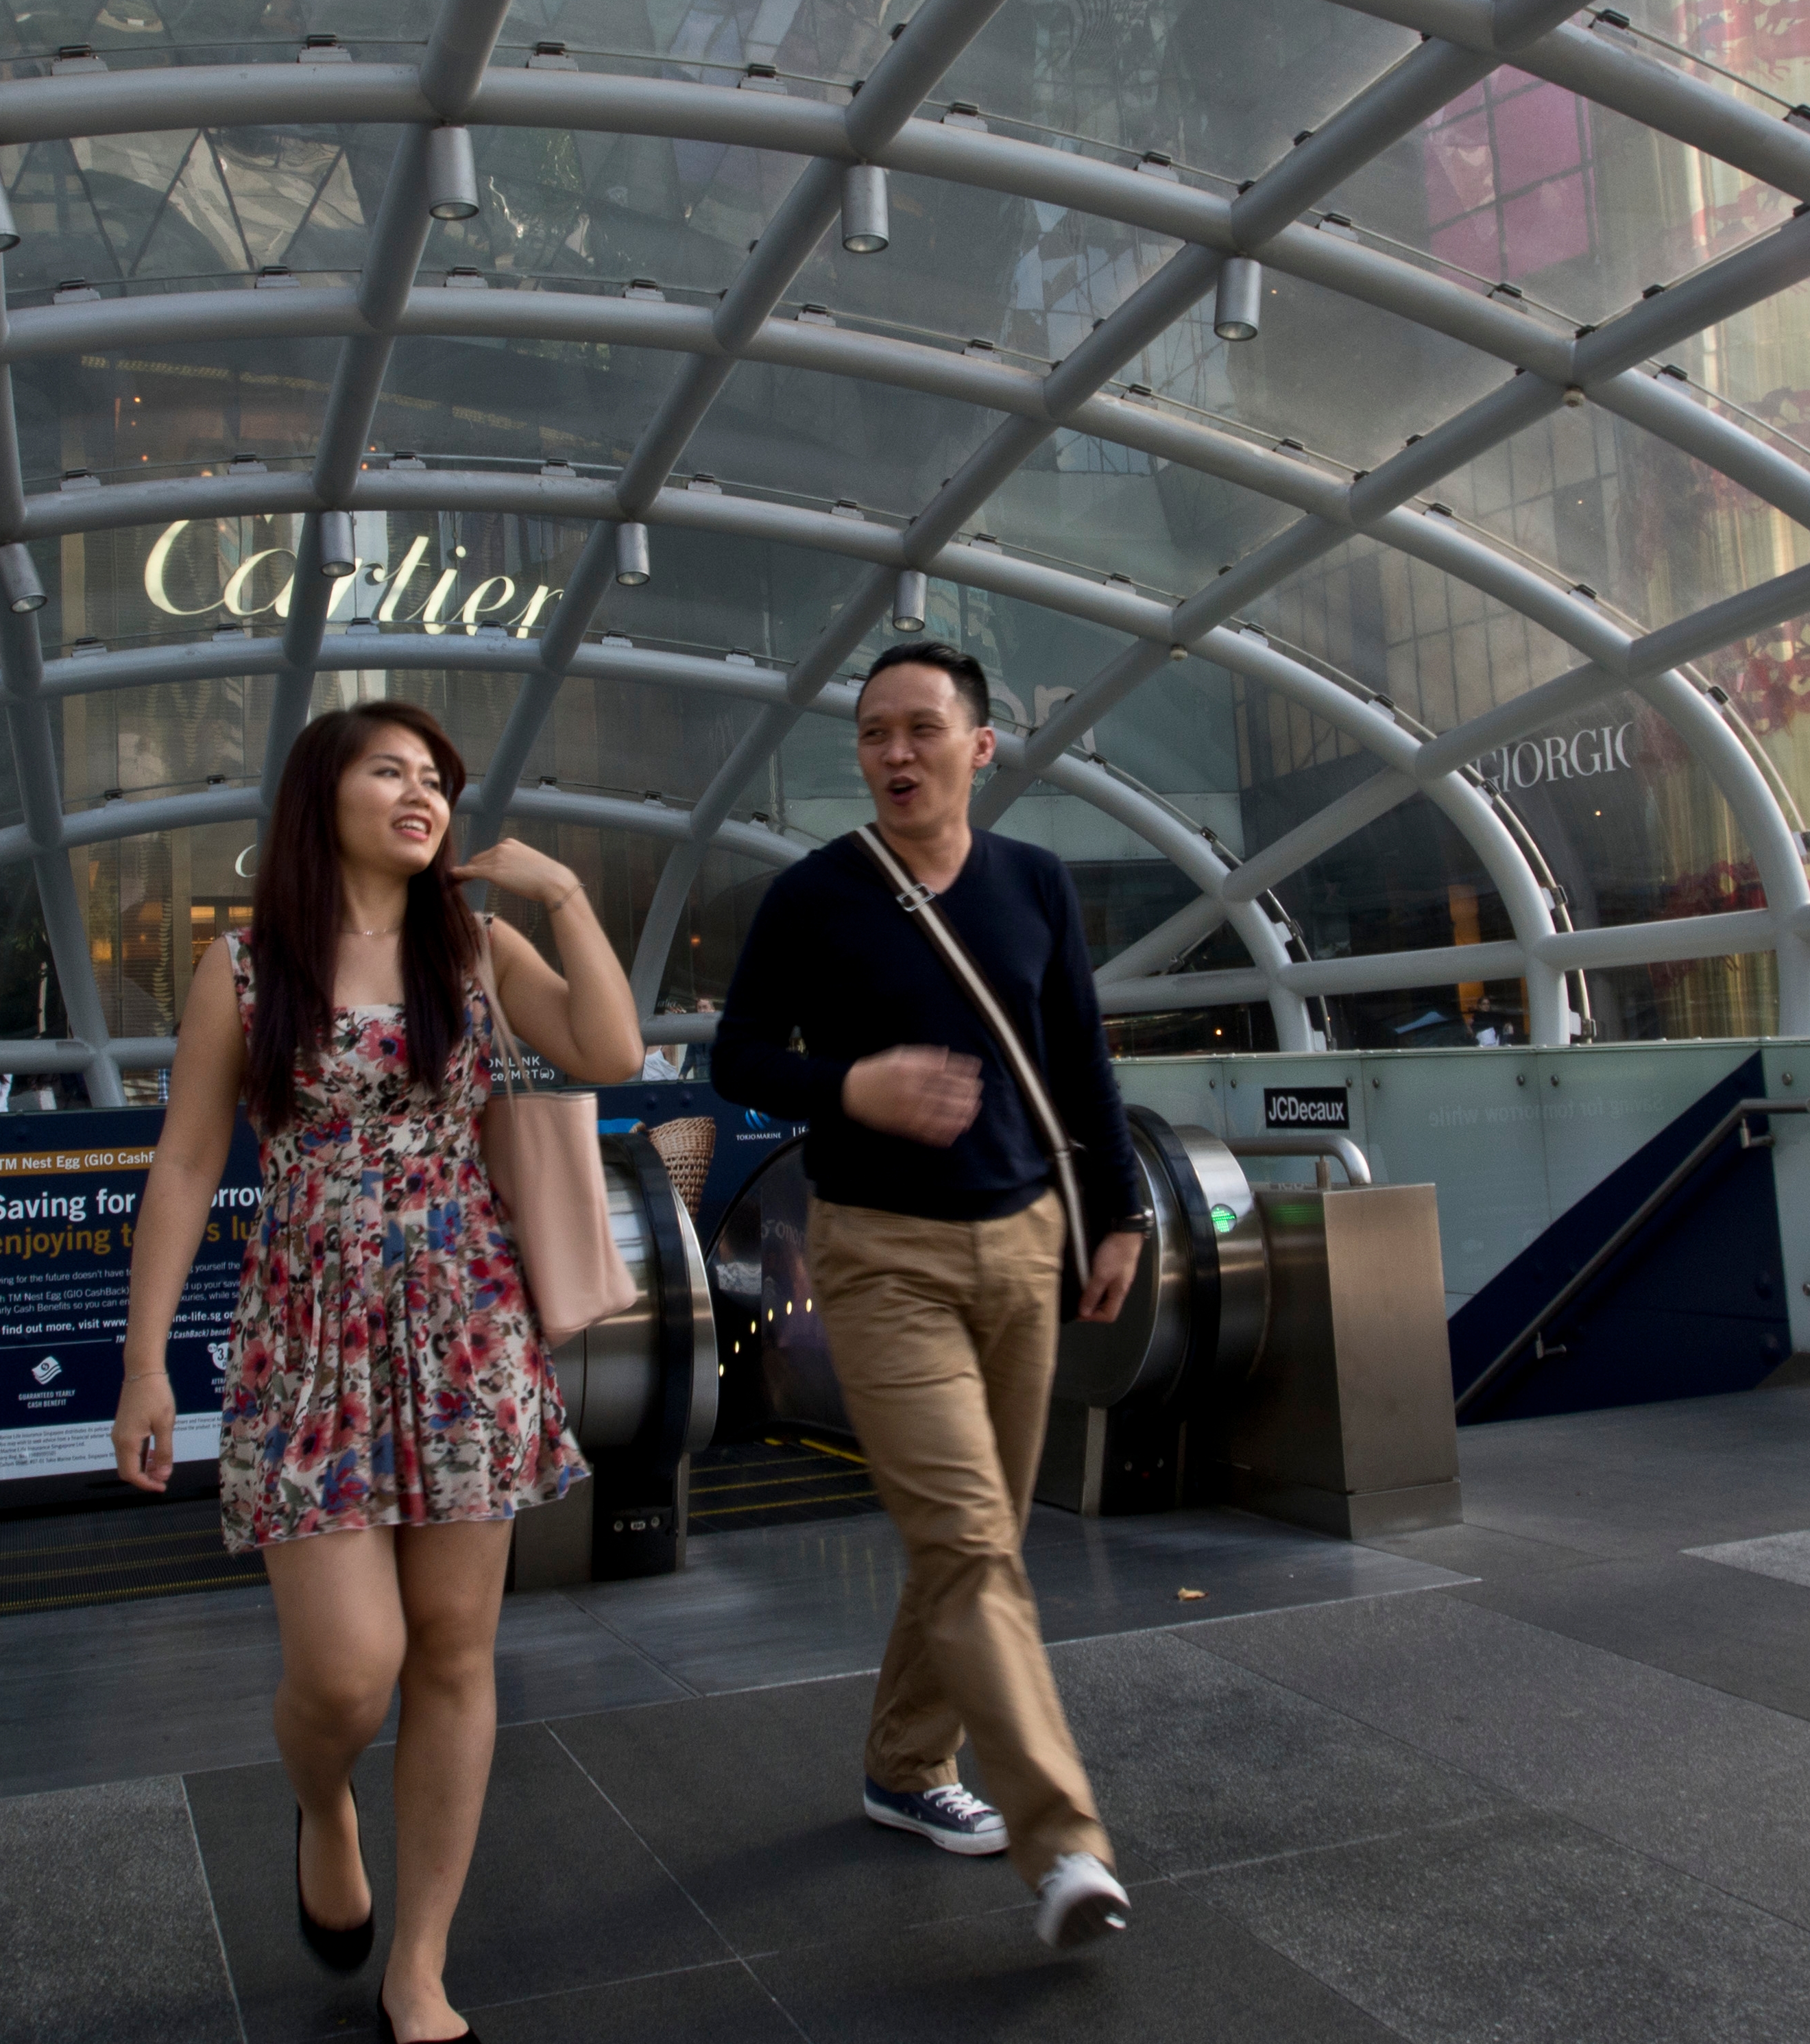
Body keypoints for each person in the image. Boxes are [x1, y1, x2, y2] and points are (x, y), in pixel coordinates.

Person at [112, 702, 641, 2041]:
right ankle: (321, 1799)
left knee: (456, 1655)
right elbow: (183, 1162)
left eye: (437, 780)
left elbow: (610, 1052)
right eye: (389, 770)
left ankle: (420, 1962)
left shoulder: (473, 946)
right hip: (308, 1332)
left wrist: (566, 892)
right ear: (321, 795)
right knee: (350, 1672)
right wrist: (143, 1364)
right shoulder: (245, 969)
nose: (421, 794)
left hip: (465, 1324)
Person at [712, 639, 1147, 1950]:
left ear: (979, 746)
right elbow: (736, 1054)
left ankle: (904, 1766)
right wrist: (848, 1085)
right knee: (965, 1538)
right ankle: (1062, 1841)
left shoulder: (1033, 883)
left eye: (918, 728)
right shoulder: (815, 894)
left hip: (1020, 1245)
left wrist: (1115, 1210)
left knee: (981, 1539)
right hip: (878, 1252)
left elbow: (1076, 1052)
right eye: (871, 734)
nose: (893, 753)